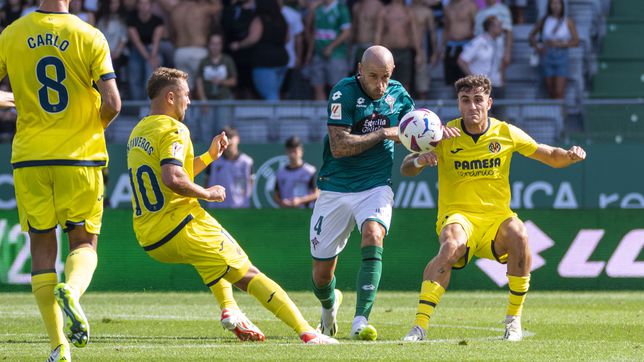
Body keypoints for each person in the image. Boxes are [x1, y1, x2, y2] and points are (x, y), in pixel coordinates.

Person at [126, 67, 338, 345]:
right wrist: (207, 193)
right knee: (249, 273)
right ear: (169, 96)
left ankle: (230, 309)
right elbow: (173, 178)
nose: (189, 101)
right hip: (183, 224)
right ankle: (308, 332)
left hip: (150, 236)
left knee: (212, 263)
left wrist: (210, 156)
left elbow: (174, 170)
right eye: (186, 95)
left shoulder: (138, 131)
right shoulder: (175, 129)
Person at [400, 74, 586, 342]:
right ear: (459, 104)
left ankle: (513, 321)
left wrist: (569, 156)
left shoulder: (506, 132)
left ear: (489, 102)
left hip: (496, 219)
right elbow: (406, 168)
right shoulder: (443, 134)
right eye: (465, 101)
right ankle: (419, 326)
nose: (472, 107)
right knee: (450, 245)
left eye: (478, 100)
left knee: (520, 235)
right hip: (458, 216)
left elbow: (549, 155)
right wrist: (419, 160)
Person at [0, 0, 122, 360]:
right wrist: (90, 128)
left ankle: (58, 347)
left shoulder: (11, 34)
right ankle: (71, 289)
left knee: (41, 249)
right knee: (83, 243)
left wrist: (12, 100)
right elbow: (113, 102)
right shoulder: (89, 35)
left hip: (29, 157)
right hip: (79, 157)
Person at [310, 45, 436, 340]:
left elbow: (415, 134)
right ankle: (329, 306)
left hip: (376, 185)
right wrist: (384, 133)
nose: (380, 85)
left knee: (373, 234)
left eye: (386, 77)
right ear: (359, 70)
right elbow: (339, 147)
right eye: (373, 77)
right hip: (335, 186)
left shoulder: (399, 96)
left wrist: (433, 142)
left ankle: (360, 320)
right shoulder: (344, 93)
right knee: (321, 275)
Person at [229, 0, 289, 101]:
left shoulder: (259, 19)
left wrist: (238, 45)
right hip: (282, 58)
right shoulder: (281, 18)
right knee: (274, 92)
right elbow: (288, 38)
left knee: (270, 94)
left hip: (264, 60)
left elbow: (253, 38)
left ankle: (274, 116)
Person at [528, 0, 579, 99]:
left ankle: (560, 112)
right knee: (550, 89)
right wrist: (537, 48)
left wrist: (560, 44)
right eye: (553, 4)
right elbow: (531, 36)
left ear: (562, 6)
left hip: (562, 55)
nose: (555, 6)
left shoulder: (568, 21)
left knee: (559, 91)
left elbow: (576, 41)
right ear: (549, 6)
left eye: (558, 4)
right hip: (547, 55)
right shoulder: (544, 21)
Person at [305, 0, 352, 100]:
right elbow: (312, 30)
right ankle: (321, 114)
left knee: (337, 88)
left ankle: (337, 114)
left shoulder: (341, 8)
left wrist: (331, 47)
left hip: (336, 54)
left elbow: (346, 32)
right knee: (317, 85)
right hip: (318, 53)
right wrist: (309, 52)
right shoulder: (318, 8)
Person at [169, 0, 220, 91]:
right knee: (204, 87)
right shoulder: (202, 8)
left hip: (180, 52)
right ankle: (205, 105)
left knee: (185, 90)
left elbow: (172, 34)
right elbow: (218, 6)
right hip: (198, 51)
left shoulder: (175, 9)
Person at [374, 0, 423, 93]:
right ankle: (387, 106)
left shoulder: (408, 11)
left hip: (405, 51)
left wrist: (419, 53)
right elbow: (378, 33)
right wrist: (375, 53)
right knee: (386, 81)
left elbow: (415, 33)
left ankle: (404, 106)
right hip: (388, 53)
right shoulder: (385, 11)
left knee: (405, 83)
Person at [204, 126, 253, 208]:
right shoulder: (212, 161)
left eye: (231, 137)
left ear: (238, 139)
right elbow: (206, 182)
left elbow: (250, 184)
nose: (228, 141)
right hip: (216, 209)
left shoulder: (247, 162)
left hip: (240, 209)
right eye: (225, 138)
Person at [458, 15, 505, 97]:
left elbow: (500, 63)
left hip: (496, 84)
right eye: (499, 25)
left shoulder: (499, 42)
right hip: (480, 86)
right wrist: (474, 80)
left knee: (500, 109)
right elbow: (462, 61)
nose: (502, 28)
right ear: (491, 27)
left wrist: (501, 79)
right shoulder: (478, 42)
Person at [126, 0, 165, 99]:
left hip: (153, 50)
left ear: (151, 6)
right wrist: (148, 58)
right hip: (137, 50)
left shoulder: (158, 20)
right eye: (141, 3)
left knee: (151, 73)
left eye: (146, 3)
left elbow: (156, 40)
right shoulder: (132, 20)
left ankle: (148, 104)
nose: (144, 6)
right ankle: (137, 105)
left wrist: (152, 57)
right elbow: (136, 41)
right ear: (138, 6)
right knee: (134, 75)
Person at [273, 136, 319, 208]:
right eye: (290, 151)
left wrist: (300, 200)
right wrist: (282, 202)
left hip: (306, 212)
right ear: (286, 152)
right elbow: (276, 196)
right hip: (286, 212)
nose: (292, 155)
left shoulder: (310, 171)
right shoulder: (280, 173)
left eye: (295, 151)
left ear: (301, 151)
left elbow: (317, 194)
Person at [441, 0, 477, 86]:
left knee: (466, 79)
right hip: (451, 45)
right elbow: (446, 28)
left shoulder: (471, 5)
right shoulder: (448, 7)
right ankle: (456, 99)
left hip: (466, 45)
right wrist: (442, 47)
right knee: (453, 79)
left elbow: (476, 26)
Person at [195, 33, 238, 101]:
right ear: (208, 45)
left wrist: (221, 82)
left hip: (224, 98)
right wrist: (203, 99)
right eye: (213, 44)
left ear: (222, 45)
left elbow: (234, 81)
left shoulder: (227, 60)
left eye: (218, 44)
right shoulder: (204, 62)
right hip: (208, 99)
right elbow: (199, 82)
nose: (215, 47)